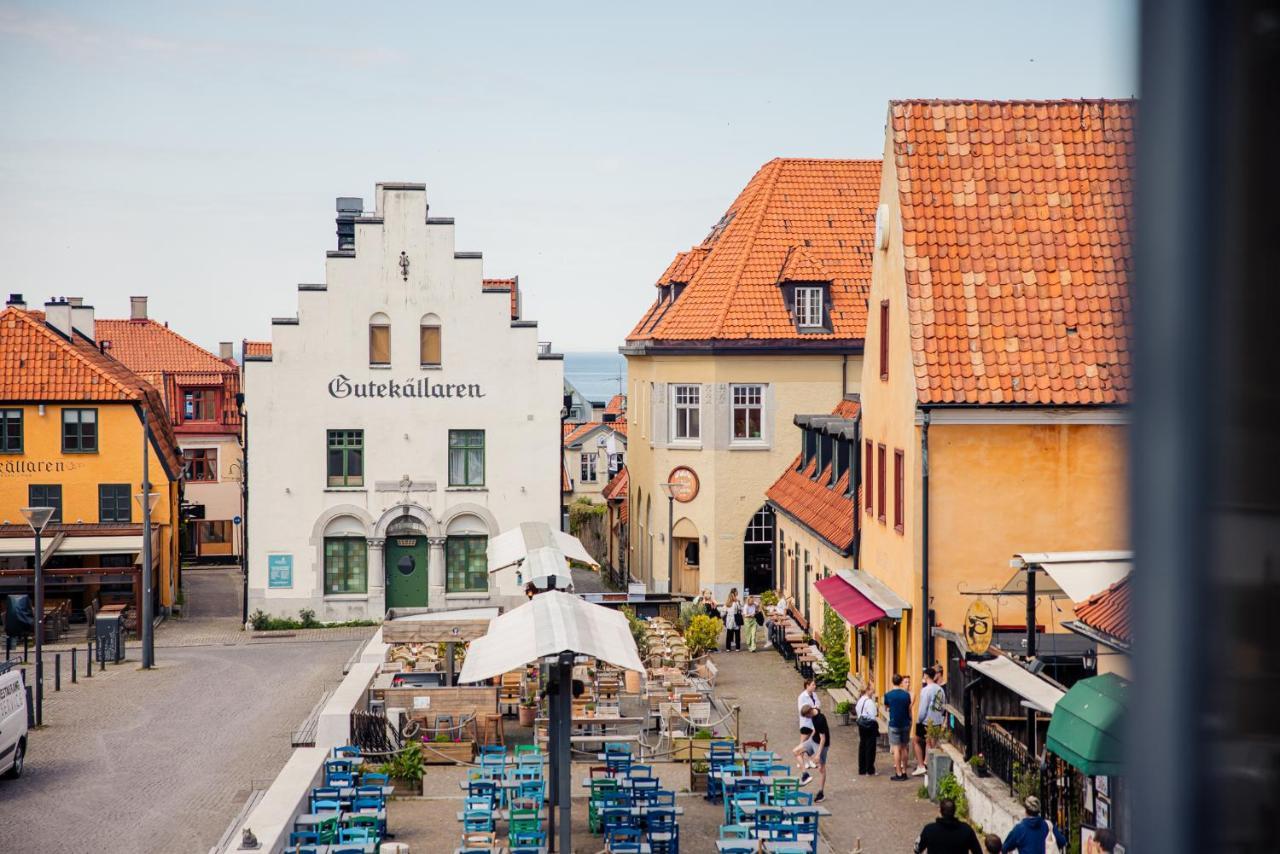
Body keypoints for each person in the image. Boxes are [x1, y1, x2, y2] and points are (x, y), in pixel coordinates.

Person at [914, 797, 983, 853]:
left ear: (940, 811)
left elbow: (917, 849)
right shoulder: (966, 830)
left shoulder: (929, 830)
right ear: (954, 811)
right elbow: (978, 852)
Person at [792, 704, 831, 802]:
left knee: (821, 768)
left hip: (822, 744)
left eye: (807, 716)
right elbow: (815, 728)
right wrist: (809, 739)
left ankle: (821, 793)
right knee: (796, 751)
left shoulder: (820, 720)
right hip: (813, 740)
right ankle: (805, 775)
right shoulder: (814, 711)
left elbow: (823, 738)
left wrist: (818, 754)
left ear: (809, 712)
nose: (807, 718)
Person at [1002, 796, 1067, 853]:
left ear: (1026, 811)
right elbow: (1062, 841)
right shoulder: (1048, 825)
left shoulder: (1019, 829)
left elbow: (1005, 847)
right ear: (1038, 811)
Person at [914, 666, 947, 776]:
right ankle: (927, 763)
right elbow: (942, 706)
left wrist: (919, 719)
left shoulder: (926, 690)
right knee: (931, 743)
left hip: (926, 720)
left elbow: (923, 708)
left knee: (916, 741)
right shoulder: (940, 689)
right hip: (937, 719)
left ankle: (922, 765)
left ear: (926, 676)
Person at [884, 674, 913, 780]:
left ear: (892, 682)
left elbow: (886, 707)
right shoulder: (906, 695)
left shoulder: (888, 695)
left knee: (896, 749)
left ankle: (898, 773)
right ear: (901, 682)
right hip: (905, 723)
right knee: (905, 747)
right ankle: (905, 771)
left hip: (894, 723)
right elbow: (908, 706)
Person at [795, 677, 820, 769]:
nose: (815, 686)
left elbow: (818, 703)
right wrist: (813, 710)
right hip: (806, 723)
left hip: (813, 722)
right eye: (813, 685)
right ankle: (801, 761)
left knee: (810, 742)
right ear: (807, 686)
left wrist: (815, 708)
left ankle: (810, 760)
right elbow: (802, 710)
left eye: (814, 684)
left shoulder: (814, 694)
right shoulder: (802, 697)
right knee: (803, 743)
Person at [855, 682, 879, 775]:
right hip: (869, 725)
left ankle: (862, 768)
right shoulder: (869, 702)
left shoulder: (860, 700)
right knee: (870, 747)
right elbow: (873, 715)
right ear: (868, 690)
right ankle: (870, 769)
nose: (873, 690)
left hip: (861, 725)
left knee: (862, 746)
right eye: (872, 689)